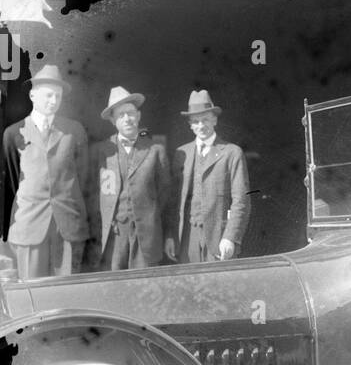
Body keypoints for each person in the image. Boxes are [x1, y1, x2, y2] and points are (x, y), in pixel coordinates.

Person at [0, 63, 90, 278]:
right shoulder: (14, 133)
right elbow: (11, 180)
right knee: (31, 294)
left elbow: (84, 177)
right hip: (29, 226)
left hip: (66, 226)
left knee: (65, 295)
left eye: (58, 97)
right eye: (49, 96)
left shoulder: (73, 131)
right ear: (33, 95)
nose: (53, 101)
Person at [89, 86, 172, 270]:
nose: (127, 119)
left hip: (147, 238)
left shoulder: (155, 151)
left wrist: (166, 234)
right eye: (120, 115)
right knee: (114, 290)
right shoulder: (102, 151)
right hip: (113, 237)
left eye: (130, 113)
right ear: (112, 120)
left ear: (139, 116)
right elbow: (93, 197)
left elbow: (166, 198)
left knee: (145, 290)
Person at [167, 89, 251, 263]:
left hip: (218, 238)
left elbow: (241, 200)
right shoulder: (182, 153)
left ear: (215, 119)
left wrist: (230, 237)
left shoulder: (231, 152)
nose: (201, 125)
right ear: (190, 124)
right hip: (187, 237)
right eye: (196, 121)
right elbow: (173, 201)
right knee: (189, 286)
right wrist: (170, 235)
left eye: (205, 119)